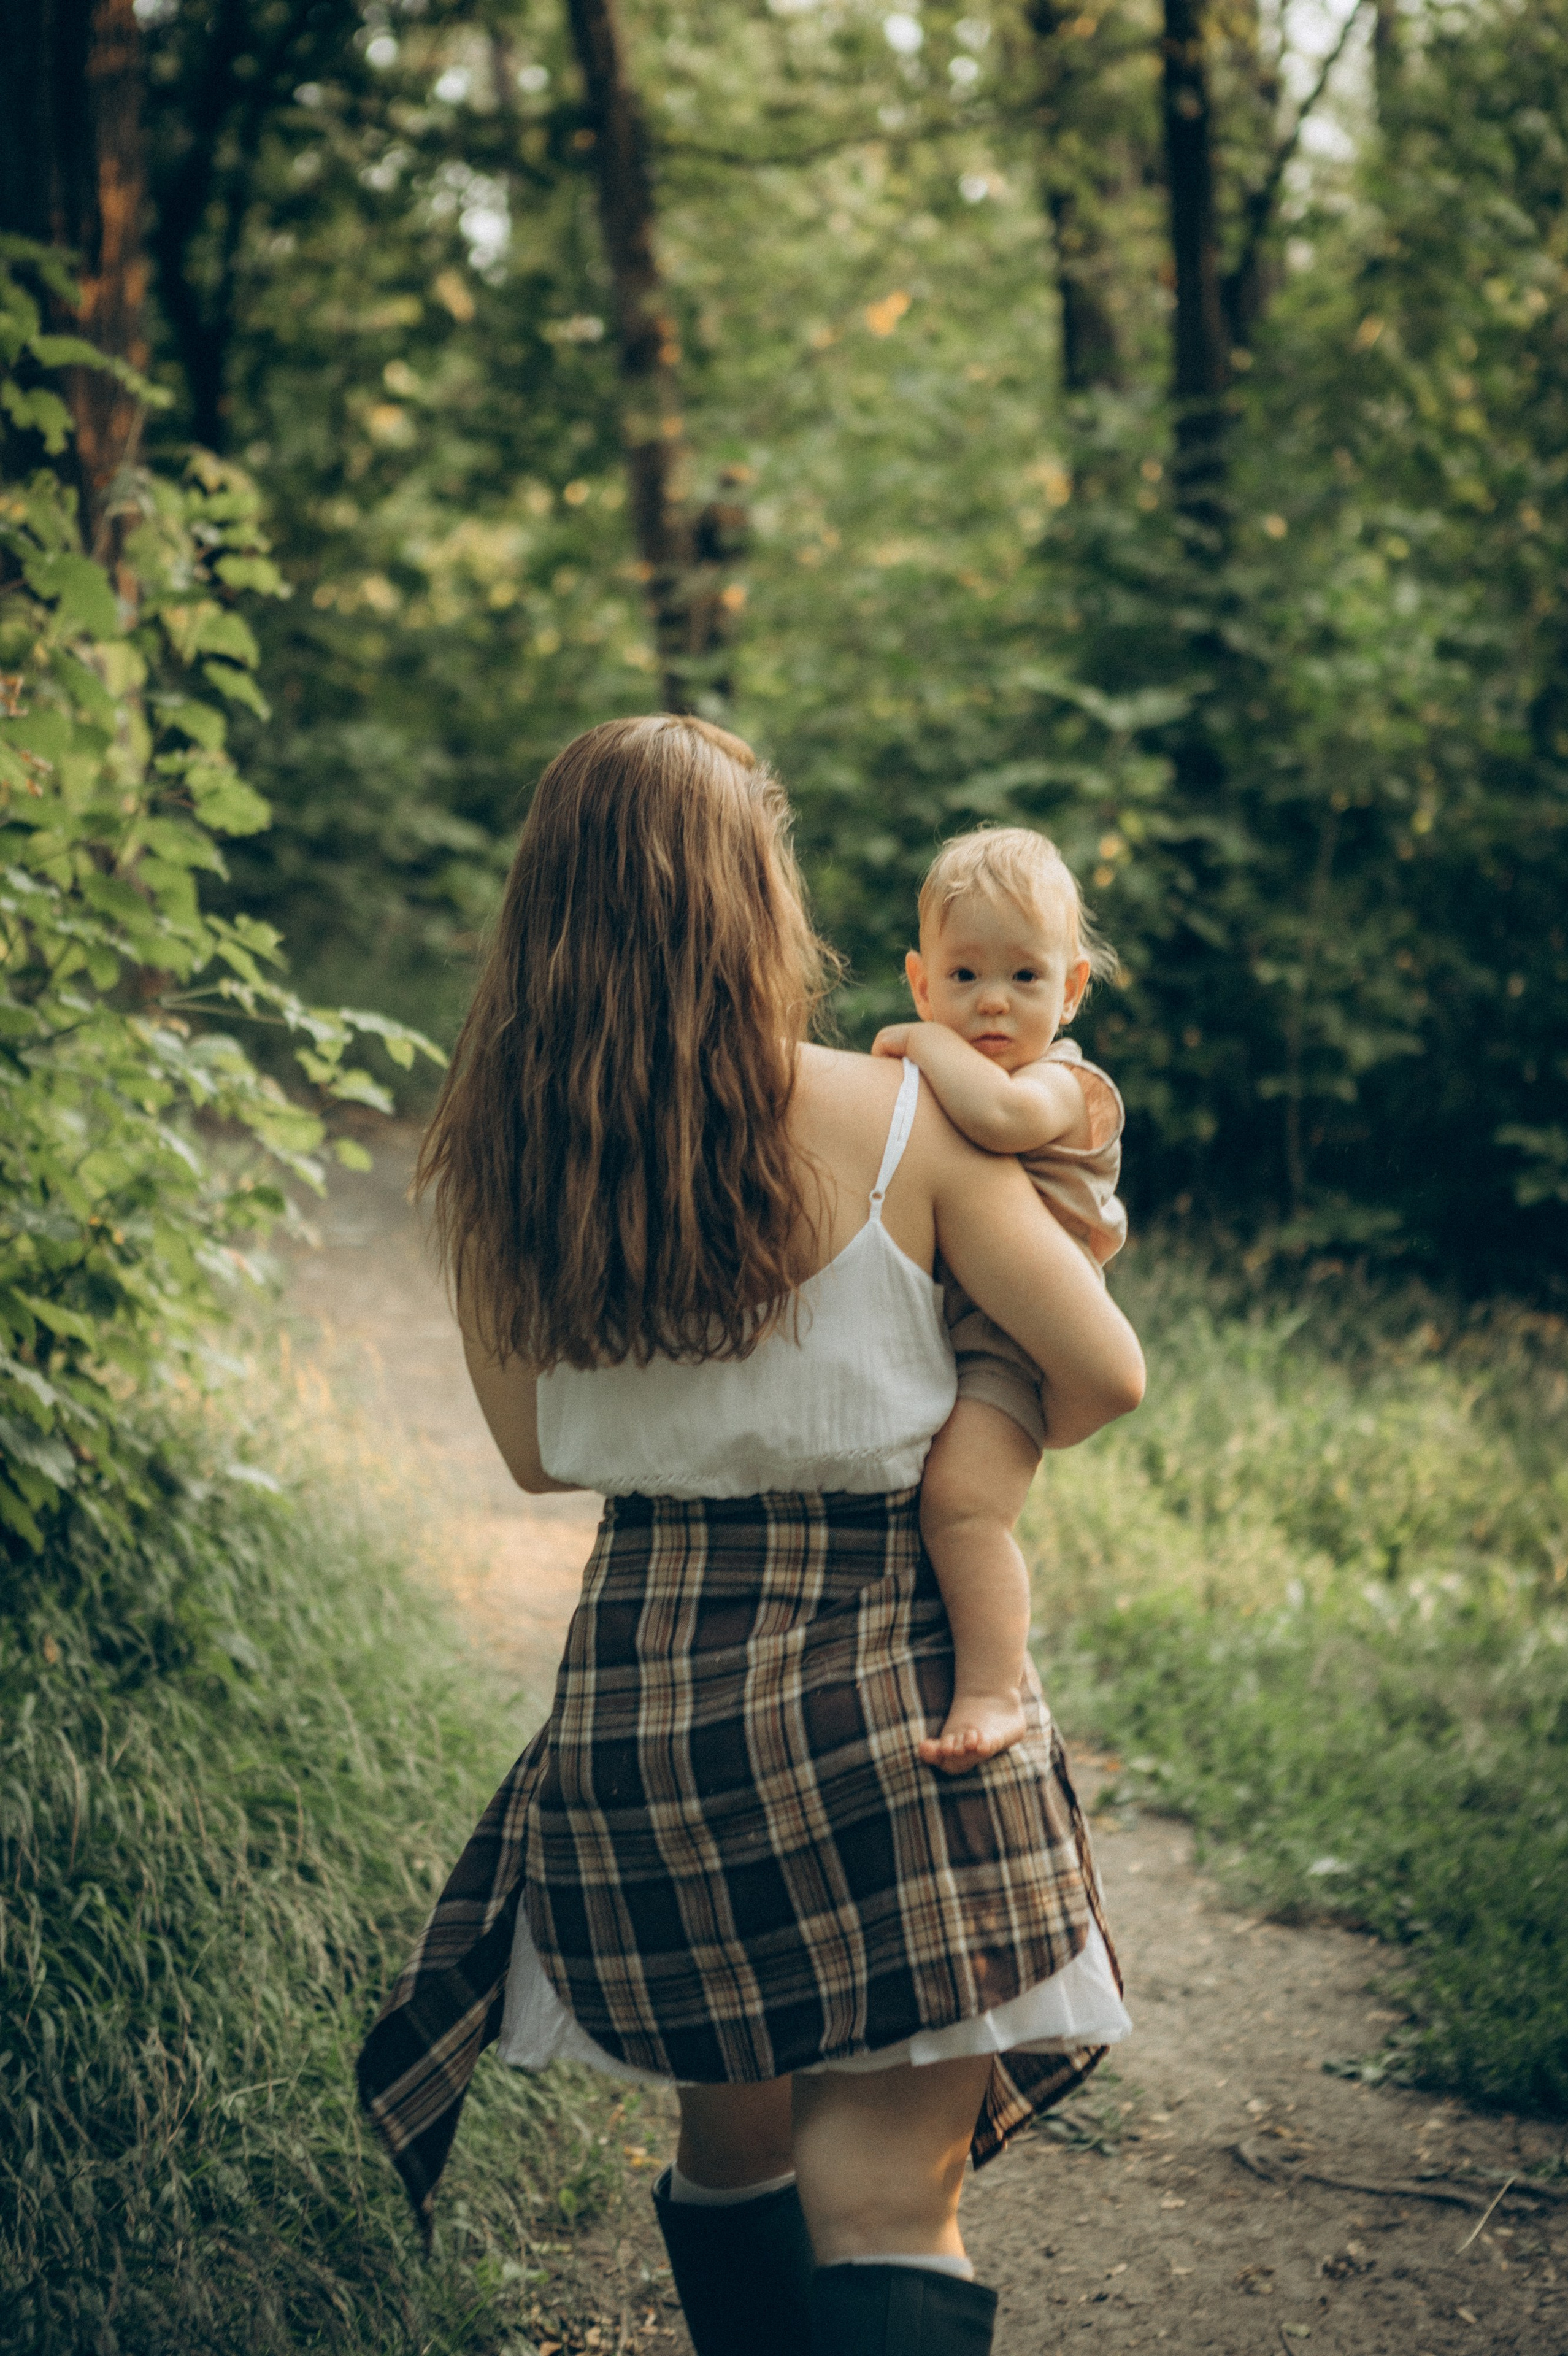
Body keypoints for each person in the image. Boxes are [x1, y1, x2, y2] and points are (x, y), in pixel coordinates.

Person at [357, 718, 1145, 2356]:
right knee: (890, 2203)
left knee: (736, 2152)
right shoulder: (899, 1114)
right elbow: (1103, 1370)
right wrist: (965, 1437)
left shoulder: (504, 1164)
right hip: (887, 1680)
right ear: (753, 906)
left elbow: (527, 1456)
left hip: (652, 1702)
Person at [870, 827, 1128, 1776]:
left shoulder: (1063, 1083)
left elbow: (1001, 1119)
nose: (991, 1002)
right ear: (920, 975)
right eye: (966, 973)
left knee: (965, 1508)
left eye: (1025, 977)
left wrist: (923, 1043)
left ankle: (993, 1690)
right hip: (946, 1326)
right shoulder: (949, 1075)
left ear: (1071, 990)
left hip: (1015, 1342)